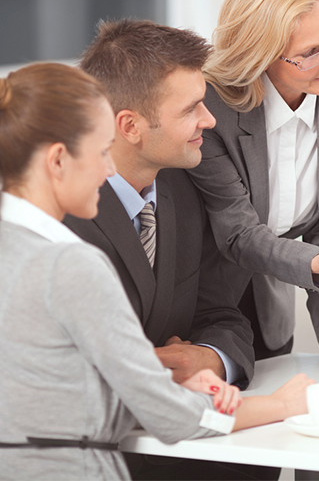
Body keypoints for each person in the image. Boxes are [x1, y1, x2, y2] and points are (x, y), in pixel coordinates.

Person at [0, 63, 312, 481]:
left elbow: (54, 384)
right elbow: (172, 419)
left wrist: (169, 388)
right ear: (58, 160)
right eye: (100, 152)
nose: (109, 170)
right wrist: (283, 405)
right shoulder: (69, 264)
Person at [188, 0, 319, 361]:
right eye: (310, 52)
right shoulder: (212, 106)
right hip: (204, 305)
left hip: (274, 302)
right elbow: (239, 234)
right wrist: (316, 263)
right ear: (261, 57)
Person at [64, 19, 255, 389]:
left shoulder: (184, 189)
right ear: (130, 126)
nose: (210, 120)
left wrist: (212, 359)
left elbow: (220, 312)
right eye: (191, 109)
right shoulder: (60, 215)